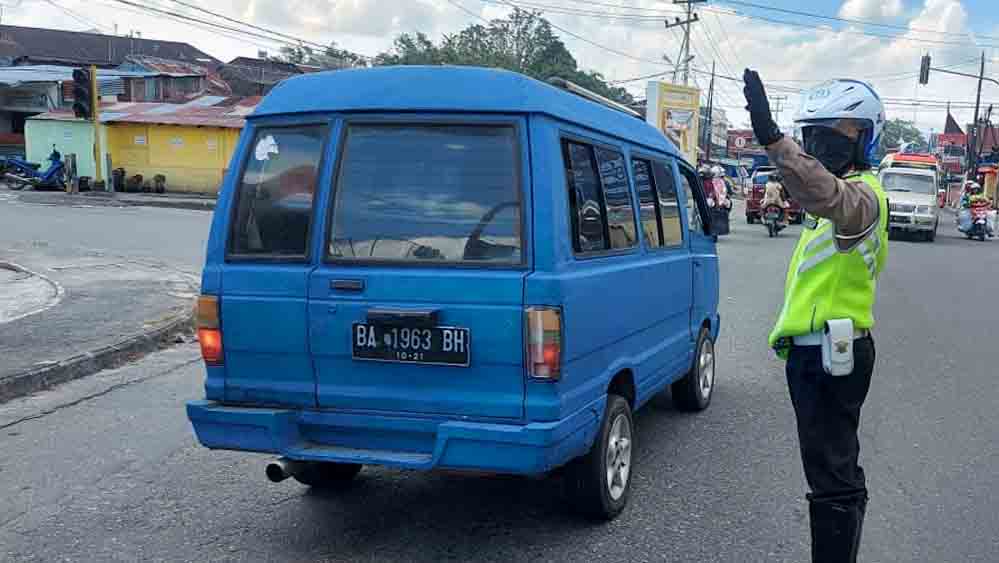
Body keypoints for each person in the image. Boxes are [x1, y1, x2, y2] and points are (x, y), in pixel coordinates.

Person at [743, 70, 889, 563]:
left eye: (831, 134)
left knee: (830, 476)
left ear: (863, 137)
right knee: (836, 469)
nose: (816, 144)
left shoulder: (864, 196)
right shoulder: (837, 194)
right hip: (819, 352)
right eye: (810, 134)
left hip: (833, 353)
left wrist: (773, 141)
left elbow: (827, 194)